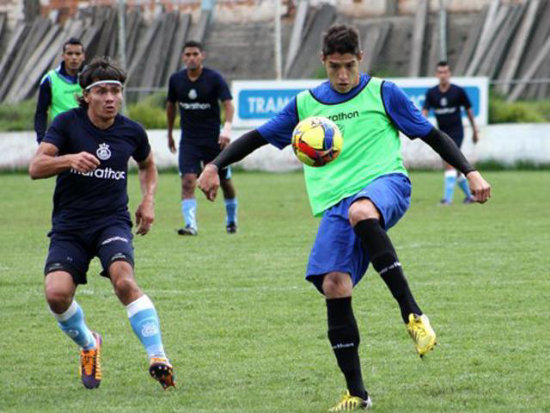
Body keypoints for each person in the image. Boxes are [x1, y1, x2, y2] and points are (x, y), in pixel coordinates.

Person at [197, 25, 491, 411]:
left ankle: (412, 313)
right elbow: (258, 137)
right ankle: (357, 393)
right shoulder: (305, 105)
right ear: (323, 61)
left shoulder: (383, 92)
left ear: (360, 60)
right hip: (336, 206)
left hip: (387, 184)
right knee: (335, 284)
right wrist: (215, 165)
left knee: (361, 210)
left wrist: (470, 172)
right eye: (334, 66)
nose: (342, 75)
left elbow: (431, 135)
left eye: (349, 66)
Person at [28, 57, 175, 390]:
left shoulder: (131, 131)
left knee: (124, 281)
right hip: (70, 225)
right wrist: (68, 160)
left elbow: (148, 165)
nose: (111, 98)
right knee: (56, 295)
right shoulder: (67, 124)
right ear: (87, 95)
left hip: (112, 222)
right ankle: (89, 345)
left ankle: (159, 357)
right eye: (103, 92)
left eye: (116, 91)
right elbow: (36, 167)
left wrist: (148, 200)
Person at [166, 40, 238, 236]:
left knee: (225, 182)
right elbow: (171, 106)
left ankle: (231, 220)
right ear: (183, 57)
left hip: (214, 140)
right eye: (187, 54)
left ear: (202, 56)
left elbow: (228, 104)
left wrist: (227, 129)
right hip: (189, 140)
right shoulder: (176, 80)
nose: (191, 58)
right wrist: (170, 132)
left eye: (195, 54)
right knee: (188, 181)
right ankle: (191, 225)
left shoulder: (214, 78)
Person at [422, 61, 479, 205]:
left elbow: (469, 111)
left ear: (449, 74)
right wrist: (420, 127)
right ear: (436, 75)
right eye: (440, 72)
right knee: (456, 166)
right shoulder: (432, 93)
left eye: (445, 72)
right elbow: (424, 112)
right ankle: (470, 196)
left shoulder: (458, 91)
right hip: (442, 134)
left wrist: (475, 130)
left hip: (457, 133)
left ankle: (447, 199)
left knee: (449, 164)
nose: (443, 75)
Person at [34, 37, 85, 143]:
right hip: (61, 132)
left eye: (77, 54)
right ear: (63, 56)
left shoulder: (90, 78)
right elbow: (41, 112)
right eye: (69, 53)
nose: (74, 57)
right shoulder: (50, 79)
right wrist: (41, 139)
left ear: (83, 56)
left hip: (86, 131)